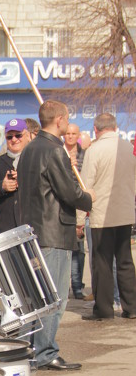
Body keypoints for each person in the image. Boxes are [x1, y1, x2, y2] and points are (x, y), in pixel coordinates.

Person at [17, 100, 94, 370]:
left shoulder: (29, 150)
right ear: (60, 120)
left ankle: (36, 350)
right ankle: (45, 353)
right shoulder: (54, 150)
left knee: (38, 297)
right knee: (53, 298)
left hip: (33, 230)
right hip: (53, 232)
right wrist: (88, 198)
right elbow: (69, 192)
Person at [80, 112, 136, 321]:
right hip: (124, 212)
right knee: (125, 261)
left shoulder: (94, 151)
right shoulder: (129, 148)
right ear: (115, 127)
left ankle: (104, 309)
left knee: (102, 263)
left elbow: (86, 186)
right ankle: (131, 307)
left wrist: (78, 220)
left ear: (96, 129)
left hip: (101, 214)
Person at [64, 123, 87, 299]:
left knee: (79, 250)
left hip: (80, 204)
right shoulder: (58, 151)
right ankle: (68, 286)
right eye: (68, 133)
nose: (70, 136)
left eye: (73, 134)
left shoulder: (84, 155)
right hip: (64, 205)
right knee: (68, 251)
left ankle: (78, 285)